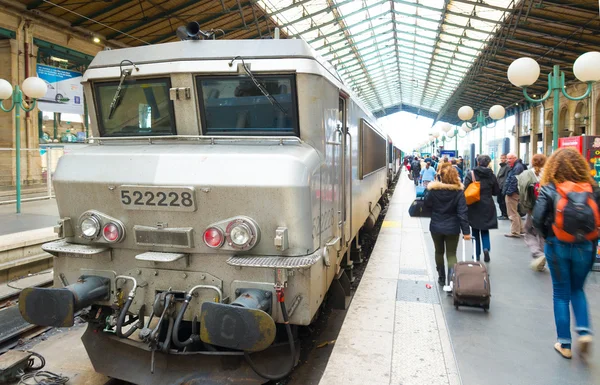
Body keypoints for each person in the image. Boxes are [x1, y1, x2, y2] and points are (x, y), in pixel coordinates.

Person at [532, 148, 598, 360]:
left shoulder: (549, 189)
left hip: (557, 244)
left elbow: (537, 219)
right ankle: (585, 331)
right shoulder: (593, 189)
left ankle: (565, 343)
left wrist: (548, 236)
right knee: (578, 289)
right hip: (586, 246)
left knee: (561, 293)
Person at [424, 163, 471, 290]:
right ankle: (451, 280)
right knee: (451, 254)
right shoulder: (458, 192)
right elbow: (462, 213)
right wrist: (466, 232)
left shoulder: (433, 190)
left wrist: (432, 185)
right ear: (455, 176)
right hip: (452, 228)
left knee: (438, 252)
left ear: (440, 177)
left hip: (436, 226)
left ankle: (441, 277)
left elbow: (426, 204)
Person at [463, 155, 500, 262]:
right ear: (488, 163)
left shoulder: (471, 174)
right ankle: (486, 248)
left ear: (478, 162)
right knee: (485, 229)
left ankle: (476, 254)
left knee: (475, 230)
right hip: (487, 204)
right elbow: (496, 191)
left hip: (474, 205)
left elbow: (465, 189)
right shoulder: (491, 175)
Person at [517, 154, 547, 271]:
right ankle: (543, 255)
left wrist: (526, 207)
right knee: (543, 234)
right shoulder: (550, 174)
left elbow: (522, 192)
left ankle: (538, 254)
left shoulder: (526, 174)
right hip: (547, 210)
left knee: (529, 232)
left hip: (533, 209)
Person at [503, 153, 525, 237]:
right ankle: (521, 229)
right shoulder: (517, 166)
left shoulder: (517, 167)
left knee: (512, 212)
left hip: (513, 193)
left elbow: (514, 180)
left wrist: (509, 192)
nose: (508, 160)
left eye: (510, 158)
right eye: (508, 158)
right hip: (514, 192)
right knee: (514, 211)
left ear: (515, 158)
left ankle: (515, 231)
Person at [496, 154, 509, 220]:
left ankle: (505, 214)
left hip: (502, 187)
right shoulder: (502, 166)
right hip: (500, 187)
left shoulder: (507, 167)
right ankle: (503, 214)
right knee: (499, 201)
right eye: (501, 158)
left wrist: (504, 188)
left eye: (503, 158)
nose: (502, 159)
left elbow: (506, 178)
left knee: (502, 201)